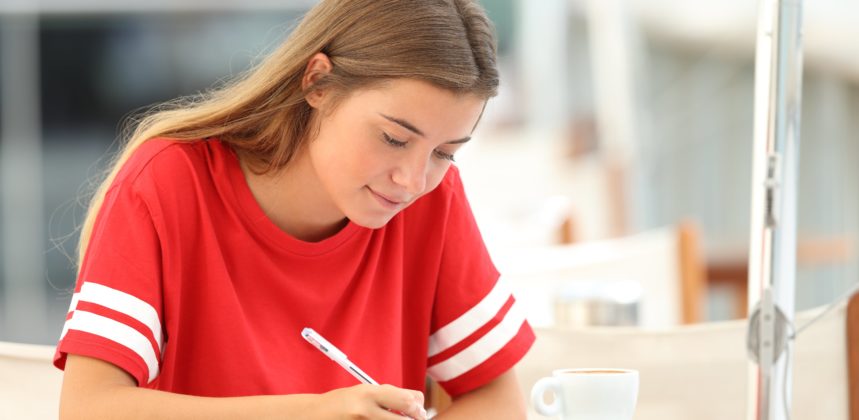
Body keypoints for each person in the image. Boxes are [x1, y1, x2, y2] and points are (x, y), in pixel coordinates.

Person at [54, 0, 535, 418]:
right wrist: (312, 411)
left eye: (445, 152)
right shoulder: (169, 182)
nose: (412, 180)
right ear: (318, 83)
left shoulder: (433, 199)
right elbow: (90, 408)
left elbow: (498, 400)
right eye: (393, 138)